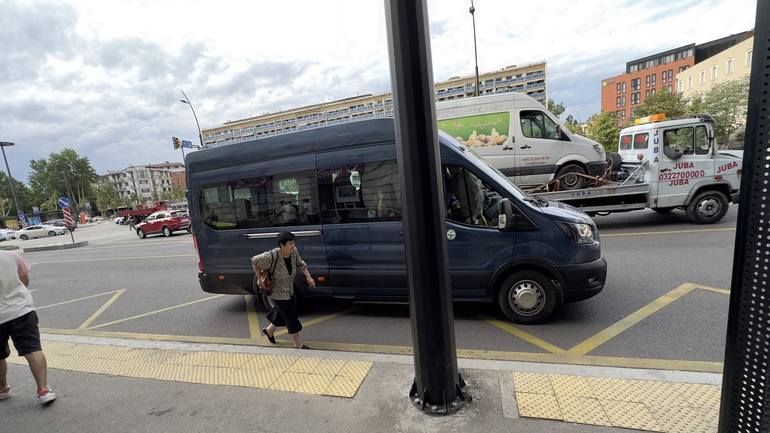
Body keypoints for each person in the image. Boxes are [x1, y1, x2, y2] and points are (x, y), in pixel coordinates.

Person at [0, 251, 55, 405]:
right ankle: (43, 390)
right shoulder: (11, 256)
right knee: (32, 349)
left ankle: (3, 388)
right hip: (21, 310)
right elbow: (24, 279)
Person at [251, 231, 315, 349]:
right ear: (282, 245)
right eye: (290, 243)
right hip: (277, 292)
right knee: (290, 315)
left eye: (293, 243)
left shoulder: (293, 252)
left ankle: (269, 330)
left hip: (289, 290)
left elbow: (301, 264)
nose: (293, 246)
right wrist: (259, 278)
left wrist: (308, 277)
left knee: (282, 312)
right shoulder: (272, 256)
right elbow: (254, 261)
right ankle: (297, 343)